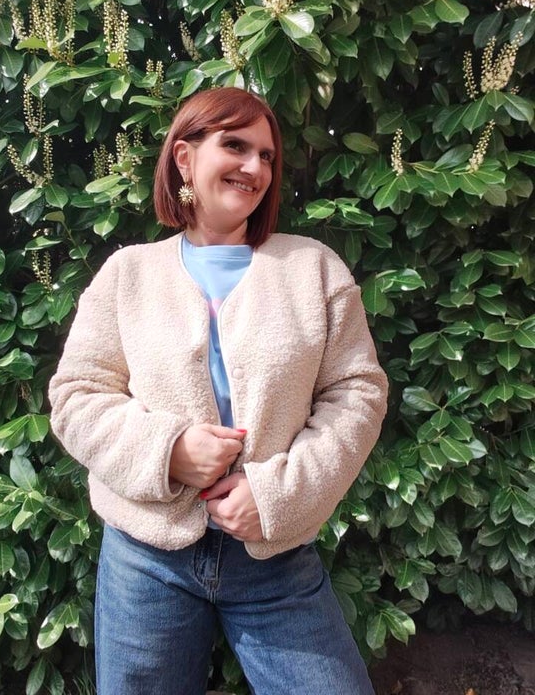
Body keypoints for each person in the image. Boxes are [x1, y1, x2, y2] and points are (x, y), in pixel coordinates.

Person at [48, 87, 388, 695]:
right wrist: (168, 451)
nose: (255, 167)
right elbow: (76, 395)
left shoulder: (313, 268)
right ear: (185, 158)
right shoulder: (127, 274)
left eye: (267, 156)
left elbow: (357, 392)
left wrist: (277, 493)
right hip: (145, 555)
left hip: (276, 556)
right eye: (235, 146)